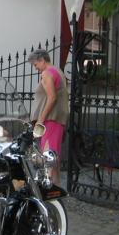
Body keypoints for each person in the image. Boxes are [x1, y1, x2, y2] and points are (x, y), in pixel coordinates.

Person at [28, 49, 69, 186]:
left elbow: (52, 98)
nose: (35, 68)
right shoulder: (58, 71)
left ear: (42, 60)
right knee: (53, 158)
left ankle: (47, 191)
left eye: (35, 64)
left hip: (50, 120)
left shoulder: (47, 73)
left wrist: (40, 120)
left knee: (48, 159)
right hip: (58, 119)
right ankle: (58, 191)